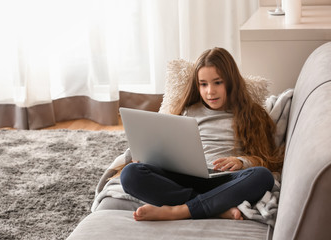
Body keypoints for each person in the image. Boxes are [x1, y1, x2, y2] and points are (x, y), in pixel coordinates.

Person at [119, 47, 284, 221]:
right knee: (130, 173)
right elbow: (170, 147)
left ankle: (179, 211)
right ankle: (216, 209)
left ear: (231, 81)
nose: (210, 91)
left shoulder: (252, 113)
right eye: (203, 84)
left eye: (217, 82)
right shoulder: (188, 110)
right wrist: (150, 158)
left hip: (223, 180)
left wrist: (240, 161)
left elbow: (265, 160)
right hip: (186, 177)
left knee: (262, 177)